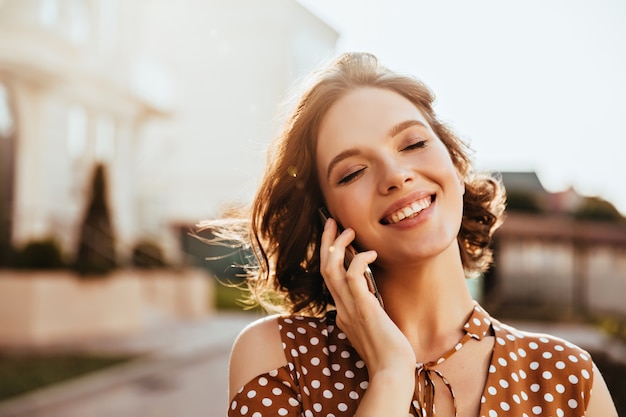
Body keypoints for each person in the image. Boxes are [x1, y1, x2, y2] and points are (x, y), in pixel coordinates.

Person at [224, 52, 617, 416]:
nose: (395, 176)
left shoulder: (567, 378)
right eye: (352, 172)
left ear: (455, 164)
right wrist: (391, 377)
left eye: (413, 143)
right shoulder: (277, 355)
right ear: (328, 217)